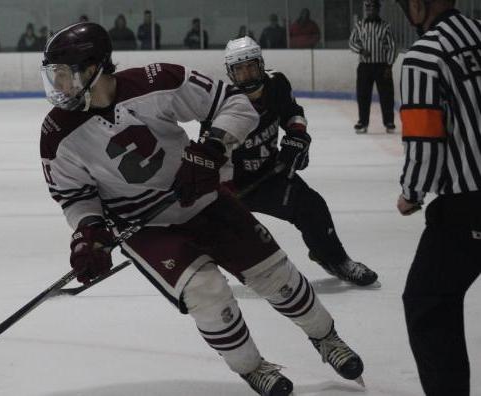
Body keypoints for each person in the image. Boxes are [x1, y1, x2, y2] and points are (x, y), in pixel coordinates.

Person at [40, 22, 364, 396]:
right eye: (55, 76)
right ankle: (252, 367)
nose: (58, 85)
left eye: (64, 75)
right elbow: (75, 196)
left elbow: (234, 103)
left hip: (204, 200)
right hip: (145, 228)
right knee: (207, 293)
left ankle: (327, 338)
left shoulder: (157, 80)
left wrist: (212, 149)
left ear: (93, 67)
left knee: (278, 277)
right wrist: (88, 234)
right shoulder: (56, 134)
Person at [215, 36, 378, 287]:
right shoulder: (224, 105)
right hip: (234, 185)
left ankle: (335, 259)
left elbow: (293, 113)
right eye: (239, 69)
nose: (247, 74)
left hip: (271, 175)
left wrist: (297, 137)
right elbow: (212, 154)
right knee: (215, 234)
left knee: (312, 207)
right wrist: (222, 191)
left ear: (260, 64)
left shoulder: (276, 83)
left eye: (251, 66)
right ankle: (201, 280)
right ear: (231, 72)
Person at [394, 0, 481, 395]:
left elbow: (425, 140)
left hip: (468, 205)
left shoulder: (424, 57)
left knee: (429, 302)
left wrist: (412, 193)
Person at [348, 0, 396, 134]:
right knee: (363, 95)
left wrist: (389, 65)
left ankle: (389, 122)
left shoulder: (386, 26)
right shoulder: (359, 25)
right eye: (368, 8)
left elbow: (392, 46)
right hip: (364, 66)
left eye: (373, 8)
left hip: (382, 66)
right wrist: (361, 50)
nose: (370, 11)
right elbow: (351, 42)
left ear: (378, 10)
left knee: (386, 95)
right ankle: (363, 121)